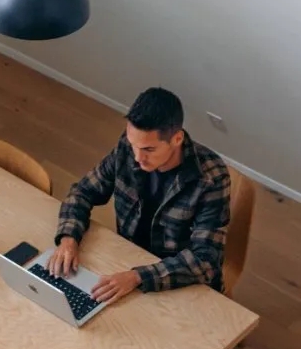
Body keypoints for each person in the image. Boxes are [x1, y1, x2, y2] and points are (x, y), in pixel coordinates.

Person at [48, 87, 232, 302]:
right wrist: (69, 239)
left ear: (177, 139)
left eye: (148, 150)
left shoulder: (211, 179)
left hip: (178, 282)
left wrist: (137, 277)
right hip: (127, 260)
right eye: (133, 144)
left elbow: (205, 260)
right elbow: (83, 192)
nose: (137, 157)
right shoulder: (128, 148)